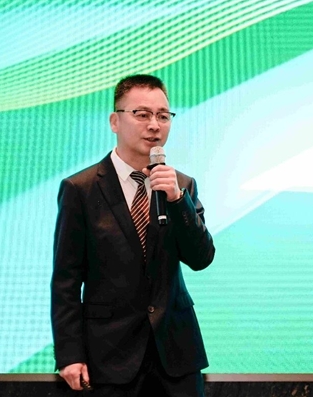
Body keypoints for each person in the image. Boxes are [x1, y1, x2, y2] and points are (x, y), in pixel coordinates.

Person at [51, 74, 216, 396]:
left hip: (176, 353)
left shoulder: (181, 185)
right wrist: (69, 354)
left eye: (163, 116)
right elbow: (66, 279)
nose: (154, 125)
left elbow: (201, 258)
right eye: (142, 114)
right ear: (115, 121)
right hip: (109, 354)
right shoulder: (80, 189)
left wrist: (177, 200)